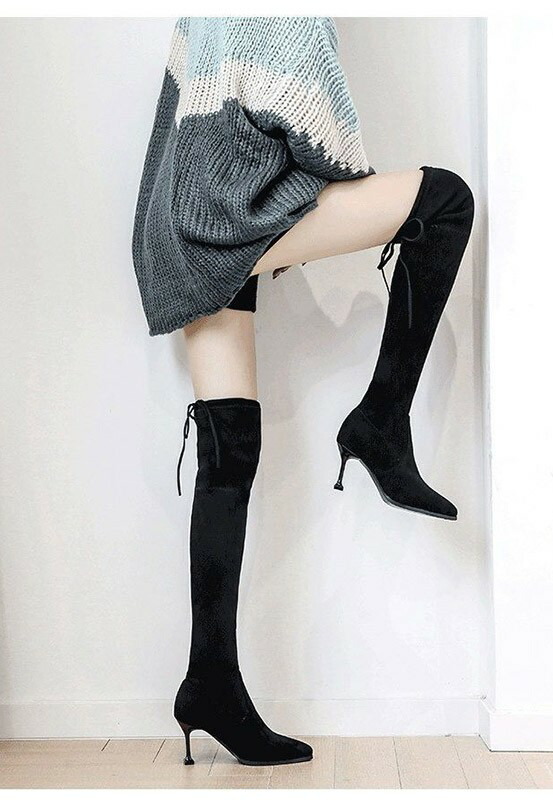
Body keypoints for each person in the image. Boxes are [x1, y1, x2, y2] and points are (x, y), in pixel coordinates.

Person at [132, 16, 474, 767]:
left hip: (178, 220)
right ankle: (381, 423)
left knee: (229, 450)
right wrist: (333, 195)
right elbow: (318, 129)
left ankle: (209, 681)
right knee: (443, 202)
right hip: (223, 216)